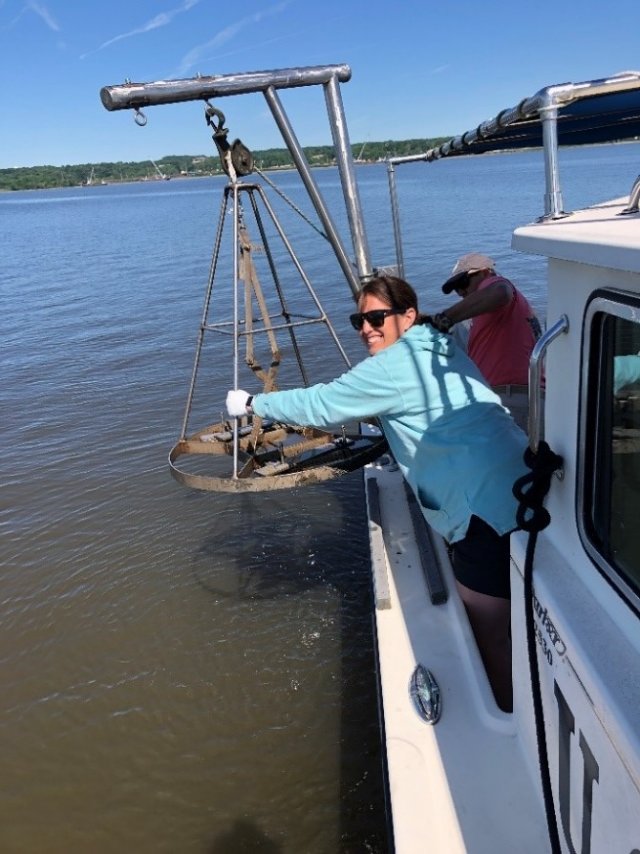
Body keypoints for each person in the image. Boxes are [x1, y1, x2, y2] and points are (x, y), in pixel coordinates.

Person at [226, 275, 529, 712]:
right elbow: (420, 404)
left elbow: (321, 405)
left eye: (376, 318)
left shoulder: (392, 367)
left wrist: (254, 404)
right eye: (359, 321)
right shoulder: (440, 345)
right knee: (527, 607)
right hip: (522, 481)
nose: (366, 328)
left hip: (481, 512)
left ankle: (511, 717)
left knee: (488, 631)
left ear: (408, 316)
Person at [430, 253, 541, 431]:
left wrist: (445, 318)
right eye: (456, 289)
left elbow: (500, 291)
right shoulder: (498, 314)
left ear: (485, 272)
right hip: (520, 398)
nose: (461, 292)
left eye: (463, 283)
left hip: (511, 399)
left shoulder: (497, 285)